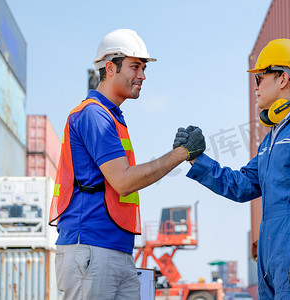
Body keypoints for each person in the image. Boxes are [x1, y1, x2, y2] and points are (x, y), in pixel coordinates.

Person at [175, 39, 290, 299]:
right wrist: (196, 159)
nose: (255, 87)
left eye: (259, 78)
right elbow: (242, 184)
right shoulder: (272, 138)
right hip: (271, 255)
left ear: (282, 78)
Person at [49, 29, 205, 300]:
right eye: (135, 66)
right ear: (110, 68)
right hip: (91, 247)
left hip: (114, 249)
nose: (142, 75)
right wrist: (180, 154)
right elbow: (123, 181)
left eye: (144, 68)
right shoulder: (94, 115)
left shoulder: (112, 117)